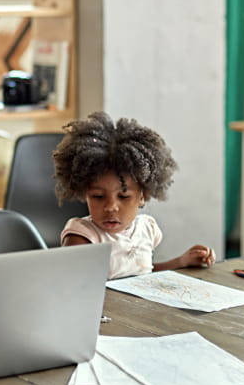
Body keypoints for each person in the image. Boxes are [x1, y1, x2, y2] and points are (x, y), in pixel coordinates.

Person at [52, 111, 215, 280]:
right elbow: (73, 288)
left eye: (123, 196)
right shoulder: (82, 237)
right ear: (85, 193)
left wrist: (182, 261)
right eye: (98, 196)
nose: (110, 207)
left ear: (143, 195)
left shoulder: (146, 229)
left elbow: (144, 275)